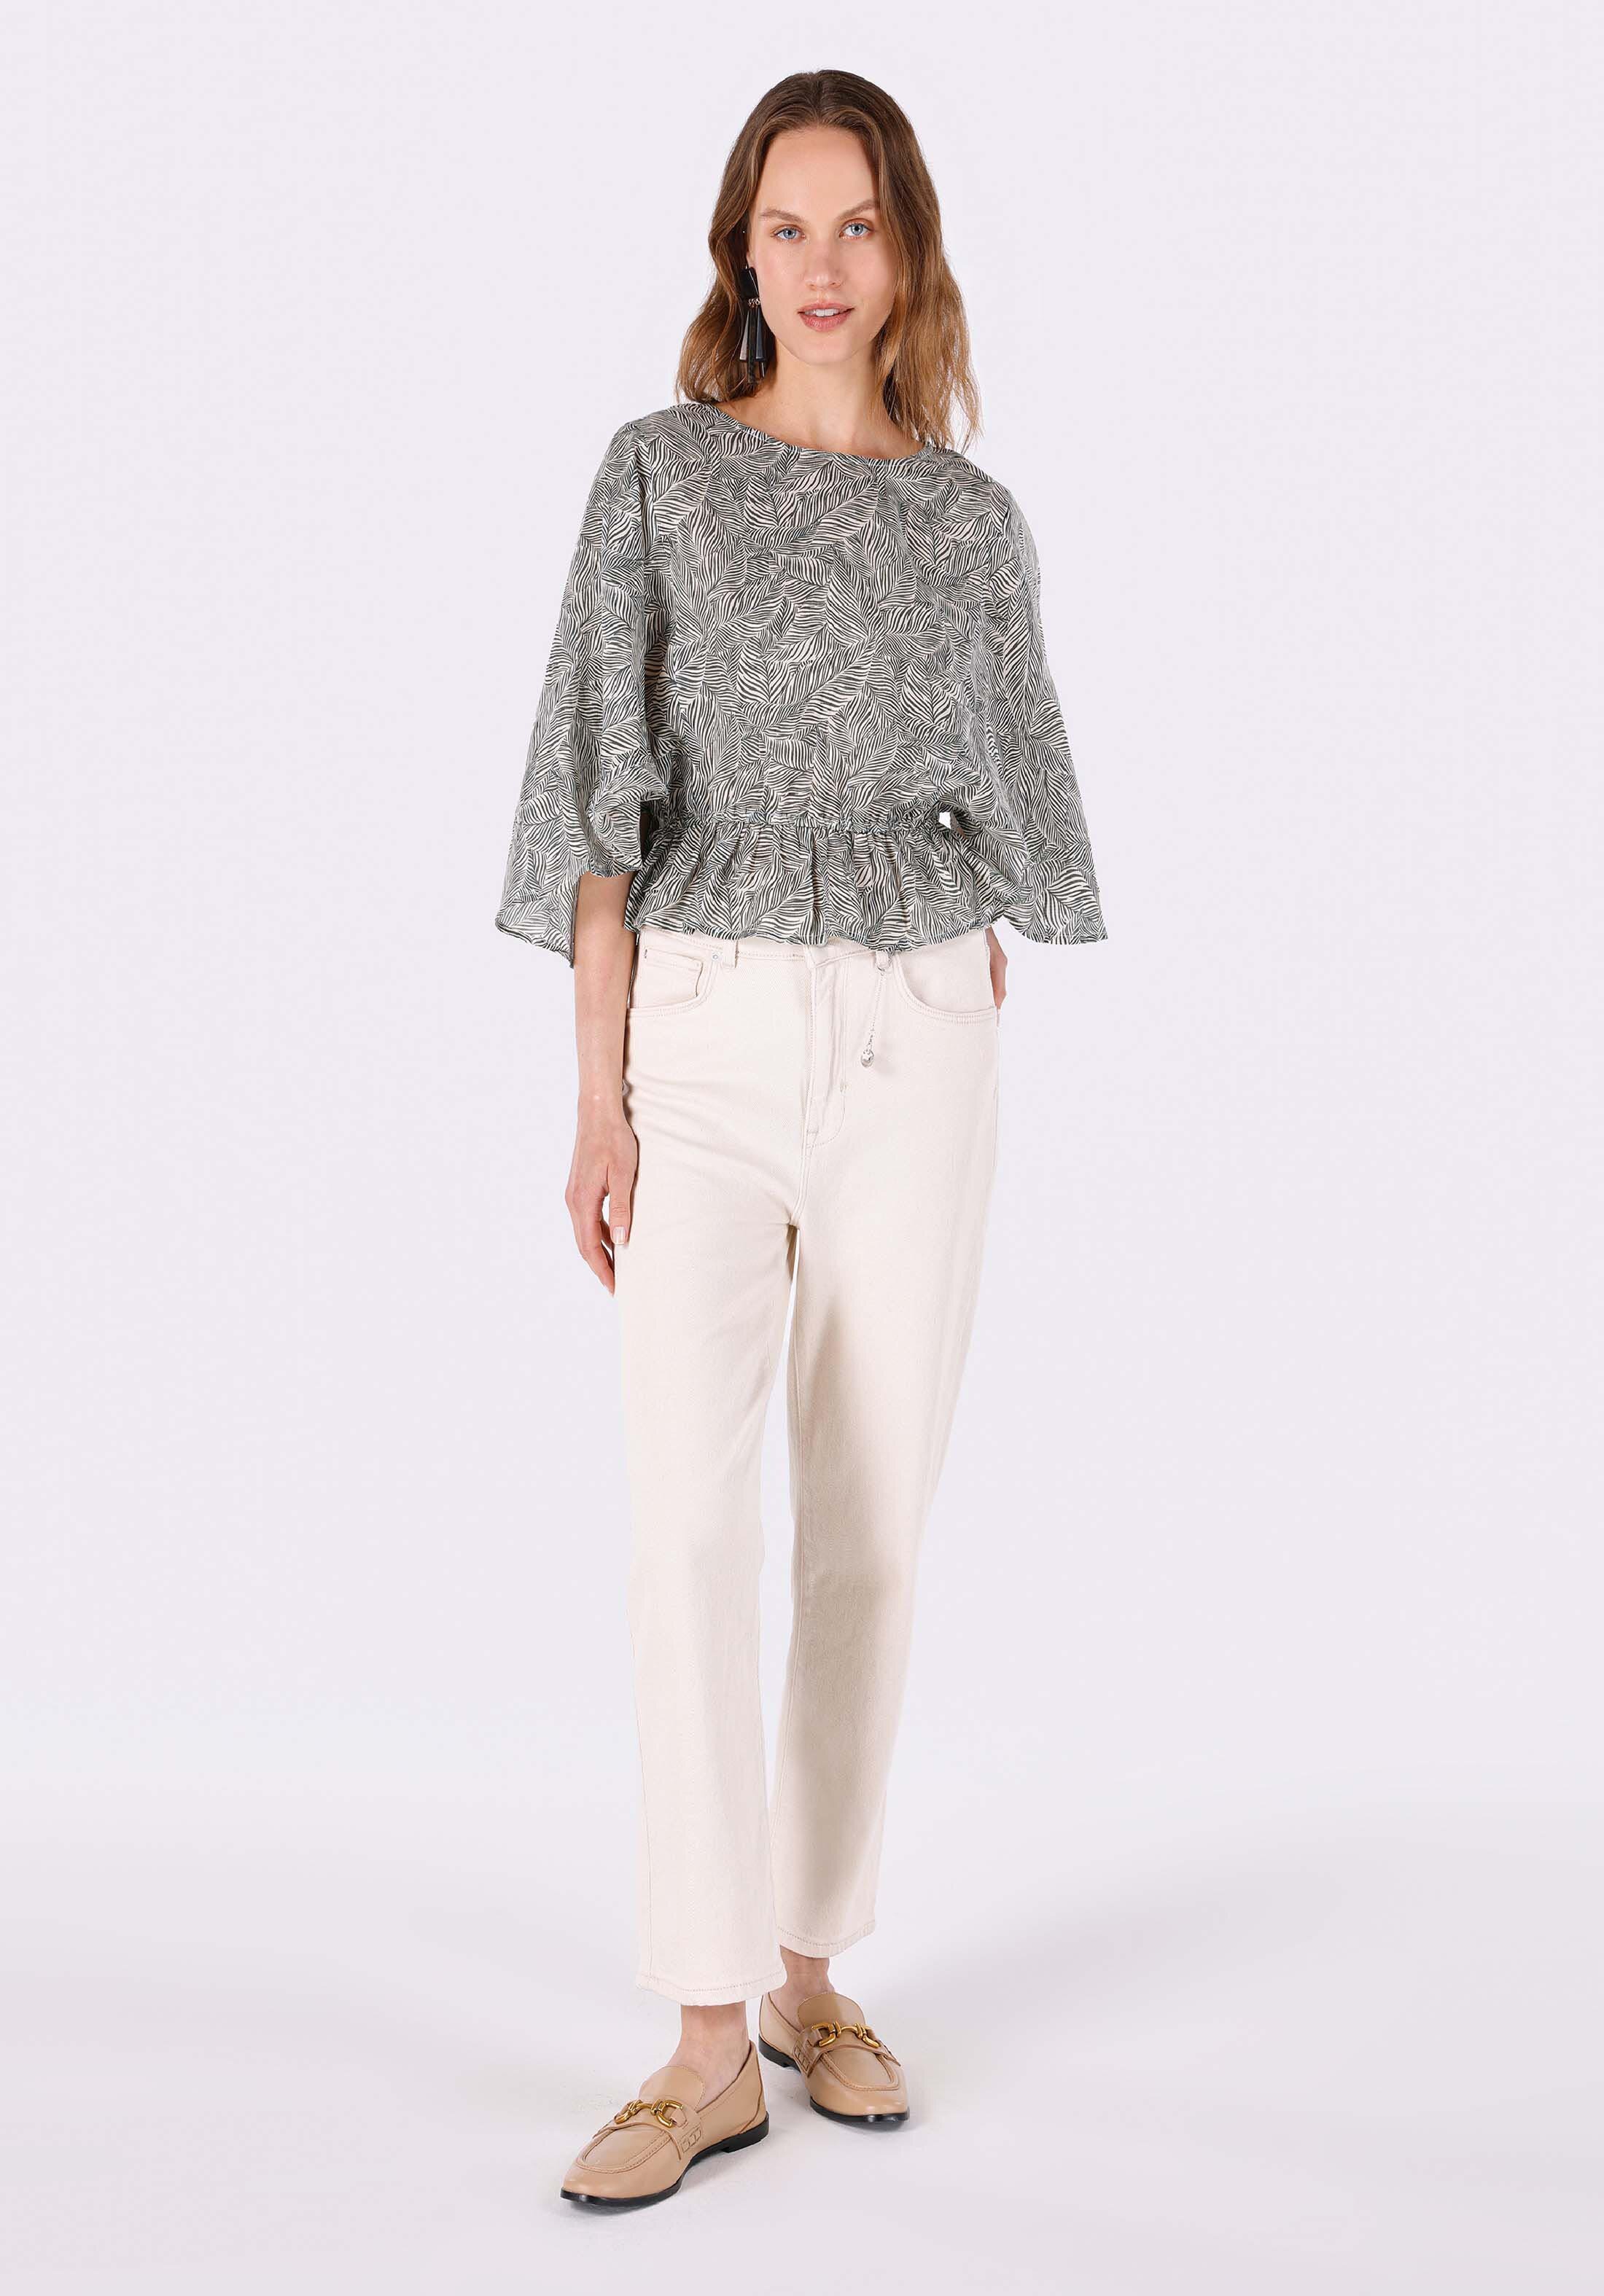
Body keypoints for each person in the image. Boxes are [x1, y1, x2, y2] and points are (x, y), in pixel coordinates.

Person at [494, 67, 1107, 2211]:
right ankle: (699, 2040)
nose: (823, 266)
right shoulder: (658, 475)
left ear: (908, 250)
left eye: (859, 225)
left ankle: (810, 1973)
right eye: (786, 226)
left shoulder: (971, 526)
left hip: (916, 1034)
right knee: (685, 1523)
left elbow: (1006, 804)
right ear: (738, 253)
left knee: (871, 1525)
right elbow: (598, 796)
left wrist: (945, 939)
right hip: (703, 1028)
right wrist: (597, 1092)